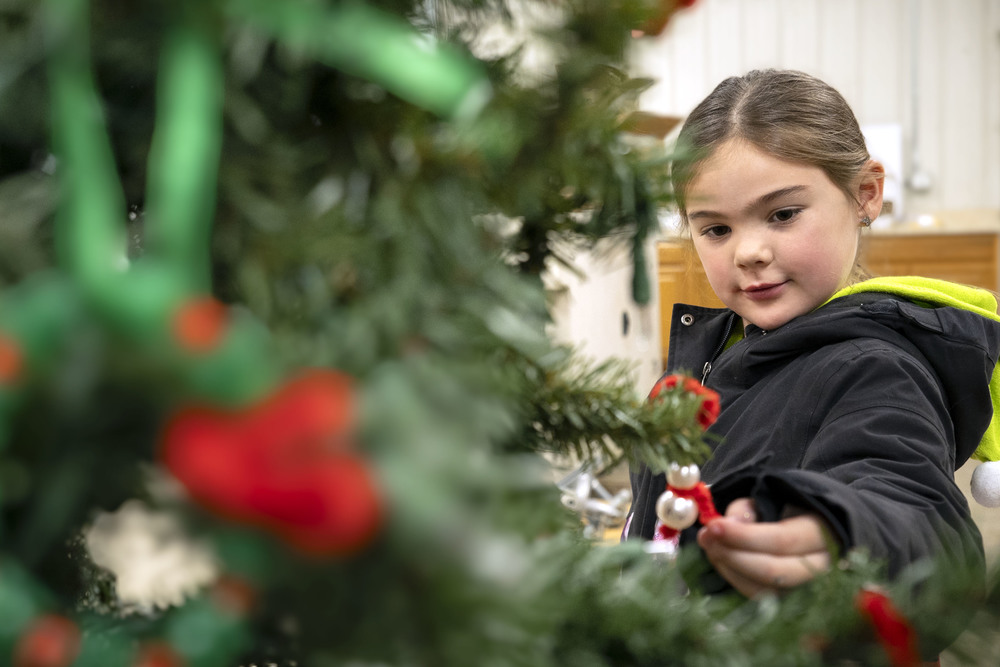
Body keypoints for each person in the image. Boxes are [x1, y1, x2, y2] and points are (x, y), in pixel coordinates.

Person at [623, 69, 1000, 612]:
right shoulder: (707, 356)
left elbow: (914, 509)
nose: (748, 251)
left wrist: (839, 533)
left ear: (865, 194)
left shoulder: (874, 366)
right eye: (716, 229)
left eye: (782, 214)